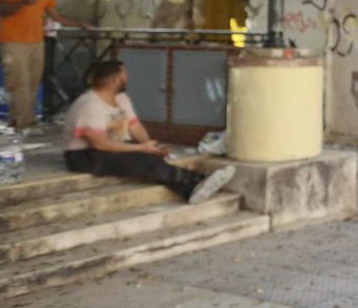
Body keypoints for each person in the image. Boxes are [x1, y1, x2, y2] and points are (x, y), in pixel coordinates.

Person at [64, 60, 236, 204]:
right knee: (142, 160)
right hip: (84, 156)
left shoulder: (121, 99)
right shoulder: (90, 105)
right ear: (115, 80)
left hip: (109, 148)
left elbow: (134, 126)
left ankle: (189, 191)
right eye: (124, 74)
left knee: (150, 156)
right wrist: (140, 149)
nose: (127, 77)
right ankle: (198, 179)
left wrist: (149, 144)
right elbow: (99, 143)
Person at [0, 0, 89, 132]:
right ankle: (20, 123)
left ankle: (26, 121)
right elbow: (3, 12)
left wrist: (81, 24)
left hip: (36, 41)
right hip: (13, 41)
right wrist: (22, 2)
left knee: (32, 82)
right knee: (18, 82)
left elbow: (56, 16)